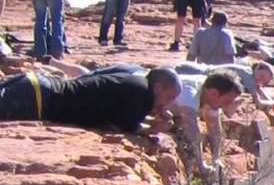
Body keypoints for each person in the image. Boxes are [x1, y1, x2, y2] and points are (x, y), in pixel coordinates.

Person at [0, 65, 179, 132]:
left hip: (35, 85)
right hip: (37, 99)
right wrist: (155, 128)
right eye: (169, 97)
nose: (169, 103)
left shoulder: (137, 81)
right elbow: (126, 126)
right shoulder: (143, 93)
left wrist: (151, 114)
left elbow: (120, 112)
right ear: (158, 88)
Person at [171, 69, 241, 172]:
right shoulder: (189, 93)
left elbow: (214, 128)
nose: (227, 106)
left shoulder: (211, 92)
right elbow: (191, 129)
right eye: (227, 101)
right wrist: (201, 165)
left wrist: (216, 159)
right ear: (214, 93)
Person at [175, 59, 274, 125]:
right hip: (189, 72)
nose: (260, 80)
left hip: (190, 68)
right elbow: (258, 102)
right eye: (262, 76)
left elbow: (260, 90)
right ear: (257, 68)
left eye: (264, 81)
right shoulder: (249, 76)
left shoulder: (249, 73)